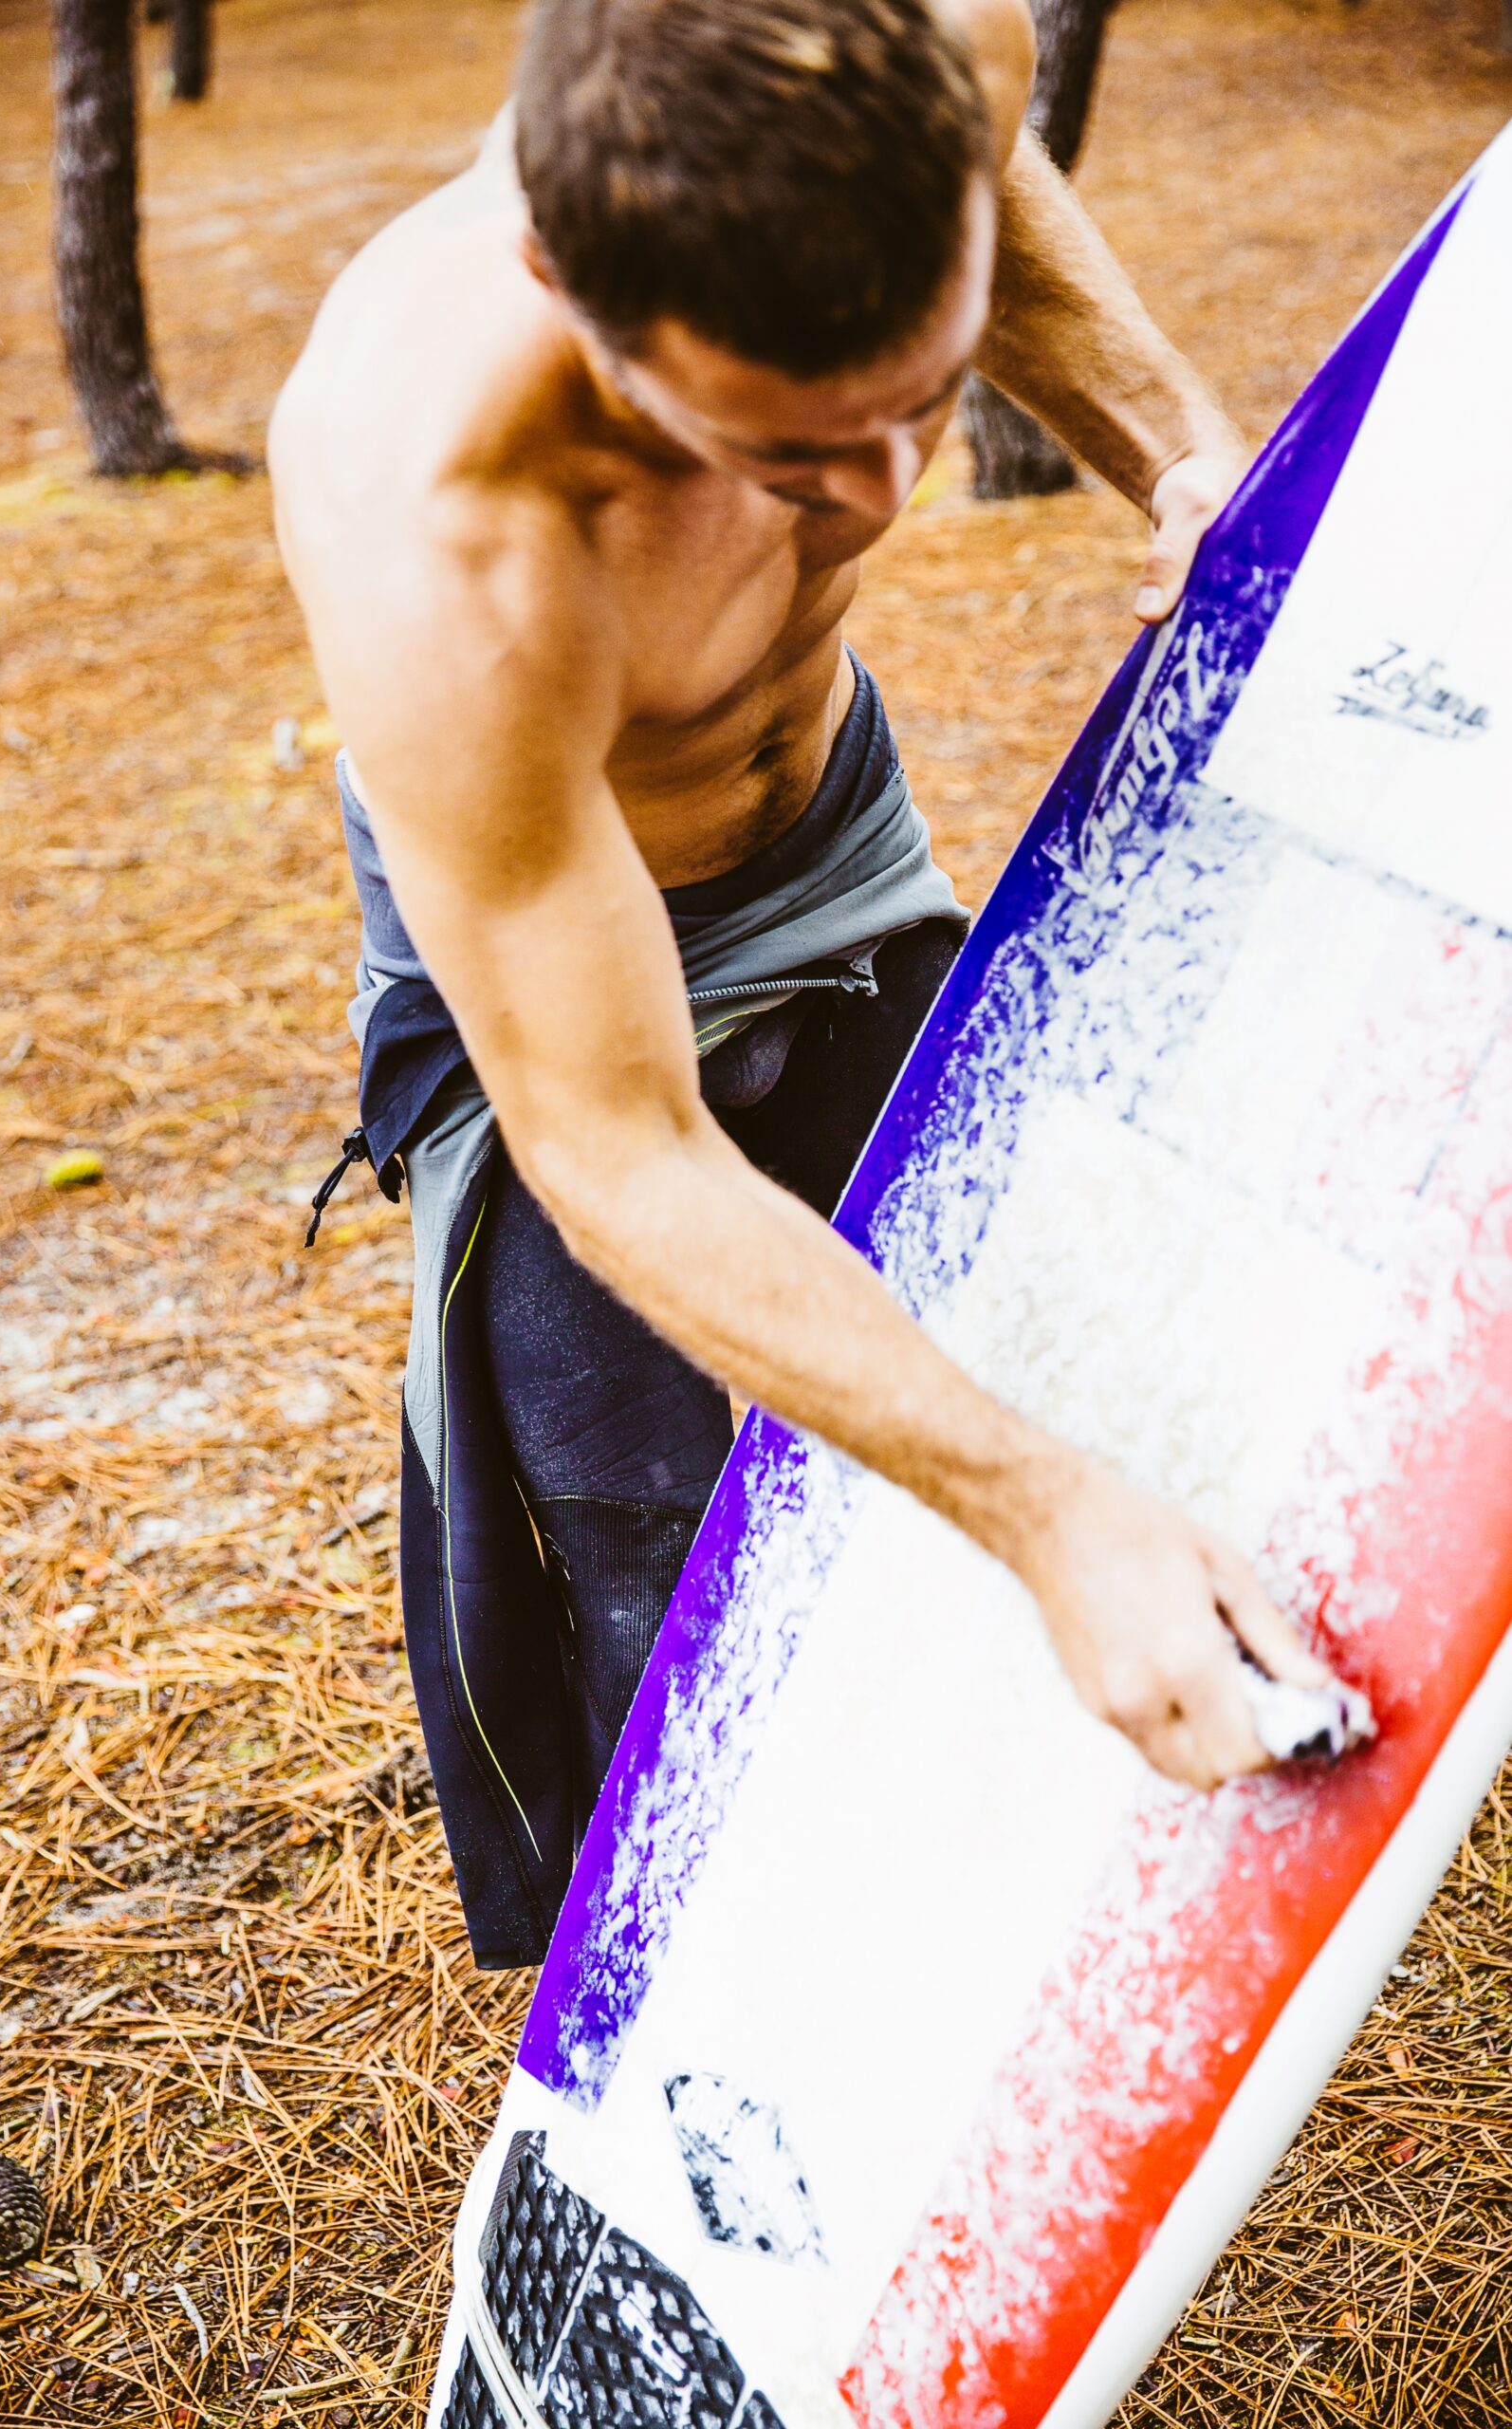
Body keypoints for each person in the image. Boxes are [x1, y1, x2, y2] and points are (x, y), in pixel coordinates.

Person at [270, 0, 1333, 1970]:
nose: (862, 503)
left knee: (1014, 1319)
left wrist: (1182, 454)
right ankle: (729, 1973)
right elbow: (620, 1143)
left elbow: (990, 190)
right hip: (565, 956)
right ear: (569, 298)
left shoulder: (928, 48)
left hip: (830, 823)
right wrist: (1044, 1511)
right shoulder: (432, 509)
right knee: (659, 1551)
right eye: (768, 447)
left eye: (914, 401)